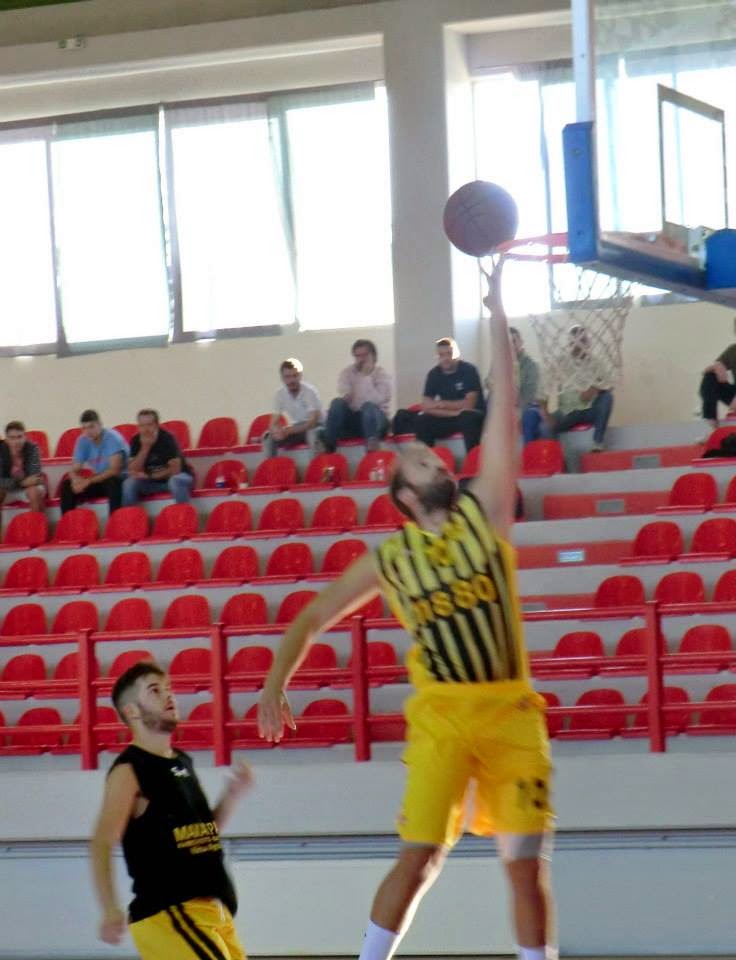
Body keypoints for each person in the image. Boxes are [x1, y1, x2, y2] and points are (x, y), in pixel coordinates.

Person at [258, 258, 556, 960]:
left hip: (512, 712)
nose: (439, 461)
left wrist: (497, 312)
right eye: (423, 462)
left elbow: (503, 414)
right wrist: (275, 683)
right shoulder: (389, 559)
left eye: (437, 458)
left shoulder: (486, 511)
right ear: (404, 495)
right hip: (443, 717)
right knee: (419, 859)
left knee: (526, 865)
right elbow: (311, 616)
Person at [90, 660, 252, 960]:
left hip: (210, 913)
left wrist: (231, 796)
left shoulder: (180, 761)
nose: (168, 695)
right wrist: (109, 907)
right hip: (170, 914)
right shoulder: (130, 770)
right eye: (155, 690)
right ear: (132, 711)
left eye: (169, 688)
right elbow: (101, 841)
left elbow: (203, 832)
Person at [524, 325, 613, 452]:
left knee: (607, 397)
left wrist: (595, 389)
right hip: (567, 412)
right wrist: (546, 414)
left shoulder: (596, 362)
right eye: (578, 341)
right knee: (544, 428)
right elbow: (542, 389)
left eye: (585, 340)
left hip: (589, 410)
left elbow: (609, 384)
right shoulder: (560, 362)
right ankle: (559, 457)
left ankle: (597, 443)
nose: (582, 344)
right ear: (571, 343)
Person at [393, 337, 485, 453]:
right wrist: (454, 412)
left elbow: (469, 405)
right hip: (451, 416)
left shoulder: (469, 370)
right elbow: (426, 407)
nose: (446, 358)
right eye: (441, 355)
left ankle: (473, 459)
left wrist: (441, 404)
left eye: (449, 354)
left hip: (474, 416)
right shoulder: (434, 374)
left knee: (467, 416)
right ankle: (426, 461)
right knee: (422, 420)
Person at [321, 339, 392, 452]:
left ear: (373, 356)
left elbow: (378, 400)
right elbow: (345, 395)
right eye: (358, 356)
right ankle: (329, 447)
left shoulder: (381, 374)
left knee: (368, 407)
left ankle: (372, 448)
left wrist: (366, 377)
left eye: (365, 355)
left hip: (376, 419)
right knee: (337, 402)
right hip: (355, 419)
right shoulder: (347, 373)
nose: (361, 359)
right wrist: (346, 396)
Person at [60, 410, 128, 514]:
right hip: (99, 479)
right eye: (84, 428)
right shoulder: (83, 440)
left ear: (100, 425)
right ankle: (68, 521)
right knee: (67, 485)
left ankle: (115, 520)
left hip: (120, 479)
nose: (88, 431)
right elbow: (74, 469)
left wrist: (88, 481)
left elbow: (114, 470)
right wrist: (75, 480)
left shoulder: (112, 438)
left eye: (91, 427)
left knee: (113, 482)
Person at [123, 409, 194, 506]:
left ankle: (184, 513)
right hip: (151, 482)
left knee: (175, 481)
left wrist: (150, 476)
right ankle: (132, 515)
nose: (145, 429)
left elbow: (175, 470)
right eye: (142, 425)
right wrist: (145, 448)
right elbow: (133, 470)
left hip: (178, 477)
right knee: (129, 483)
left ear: (156, 425)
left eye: (149, 425)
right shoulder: (136, 440)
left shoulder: (167, 438)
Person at [265, 358, 323, 458]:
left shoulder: (310, 391)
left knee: (312, 434)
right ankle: (271, 466)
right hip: (297, 427)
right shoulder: (279, 394)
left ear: (300, 376)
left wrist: (289, 430)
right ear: (282, 378)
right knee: (268, 437)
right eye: (287, 377)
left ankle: (317, 465)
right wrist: (276, 431)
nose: (291, 380)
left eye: (295, 376)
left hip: (317, 426)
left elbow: (312, 422)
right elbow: (273, 423)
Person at [0, 421, 45, 512]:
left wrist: (22, 483)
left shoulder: (33, 448)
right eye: (12, 438)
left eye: (19, 437)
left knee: (34, 491)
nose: (16, 441)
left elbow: (34, 477)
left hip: (28, 488)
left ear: (25, 437)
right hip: (8, 489)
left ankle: (37, 520)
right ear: (7, 439)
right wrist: (22, 482)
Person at [699, 335, 736, 428]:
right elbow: (712, 367)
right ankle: (711, 421)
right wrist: (718, 367)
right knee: (710, 376)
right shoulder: (733, 350)